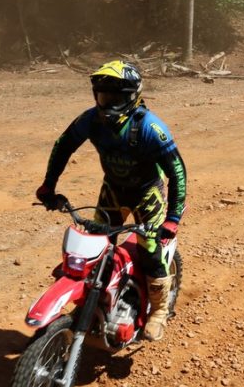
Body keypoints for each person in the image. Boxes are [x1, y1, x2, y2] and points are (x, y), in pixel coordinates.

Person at [35, 60, 187, 342]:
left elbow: (177, 170)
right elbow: (63, 145)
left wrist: (173, 218)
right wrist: (49, 185)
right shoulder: (90, 119)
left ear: (132, 96)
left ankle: (159, 312)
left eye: (115, 97)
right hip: (113, 190)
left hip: (146, 194)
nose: (108, 103)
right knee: (95, 247)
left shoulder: (150, 127)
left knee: (150, 251)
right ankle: (96, 301)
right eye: (104, 96)